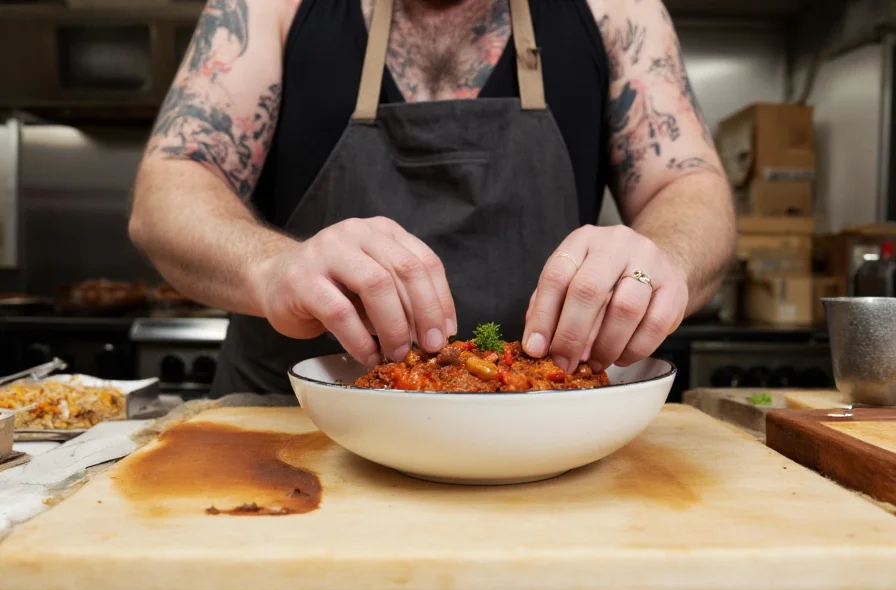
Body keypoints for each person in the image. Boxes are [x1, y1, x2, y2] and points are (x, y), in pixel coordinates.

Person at [129, 0, 735, 397]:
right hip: (294, 435)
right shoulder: (269, 6)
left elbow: (687, 186)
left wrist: (664, 261)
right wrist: (272, 267)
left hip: (544, 443)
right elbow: (171, 188)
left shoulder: (614, 10)